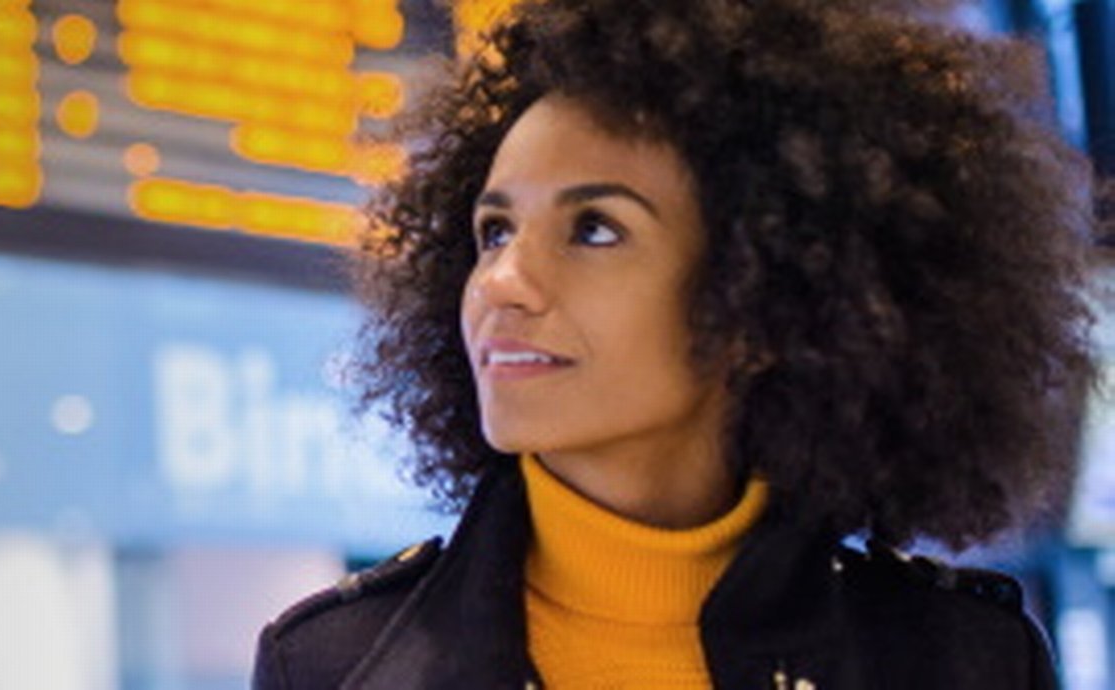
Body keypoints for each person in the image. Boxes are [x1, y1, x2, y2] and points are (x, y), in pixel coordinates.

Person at [253, 0, 1103, 687]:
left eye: (594, 230)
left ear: (761, 295)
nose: (503, 282)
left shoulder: (961, 662)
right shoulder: (330, 666)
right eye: (494, 231)